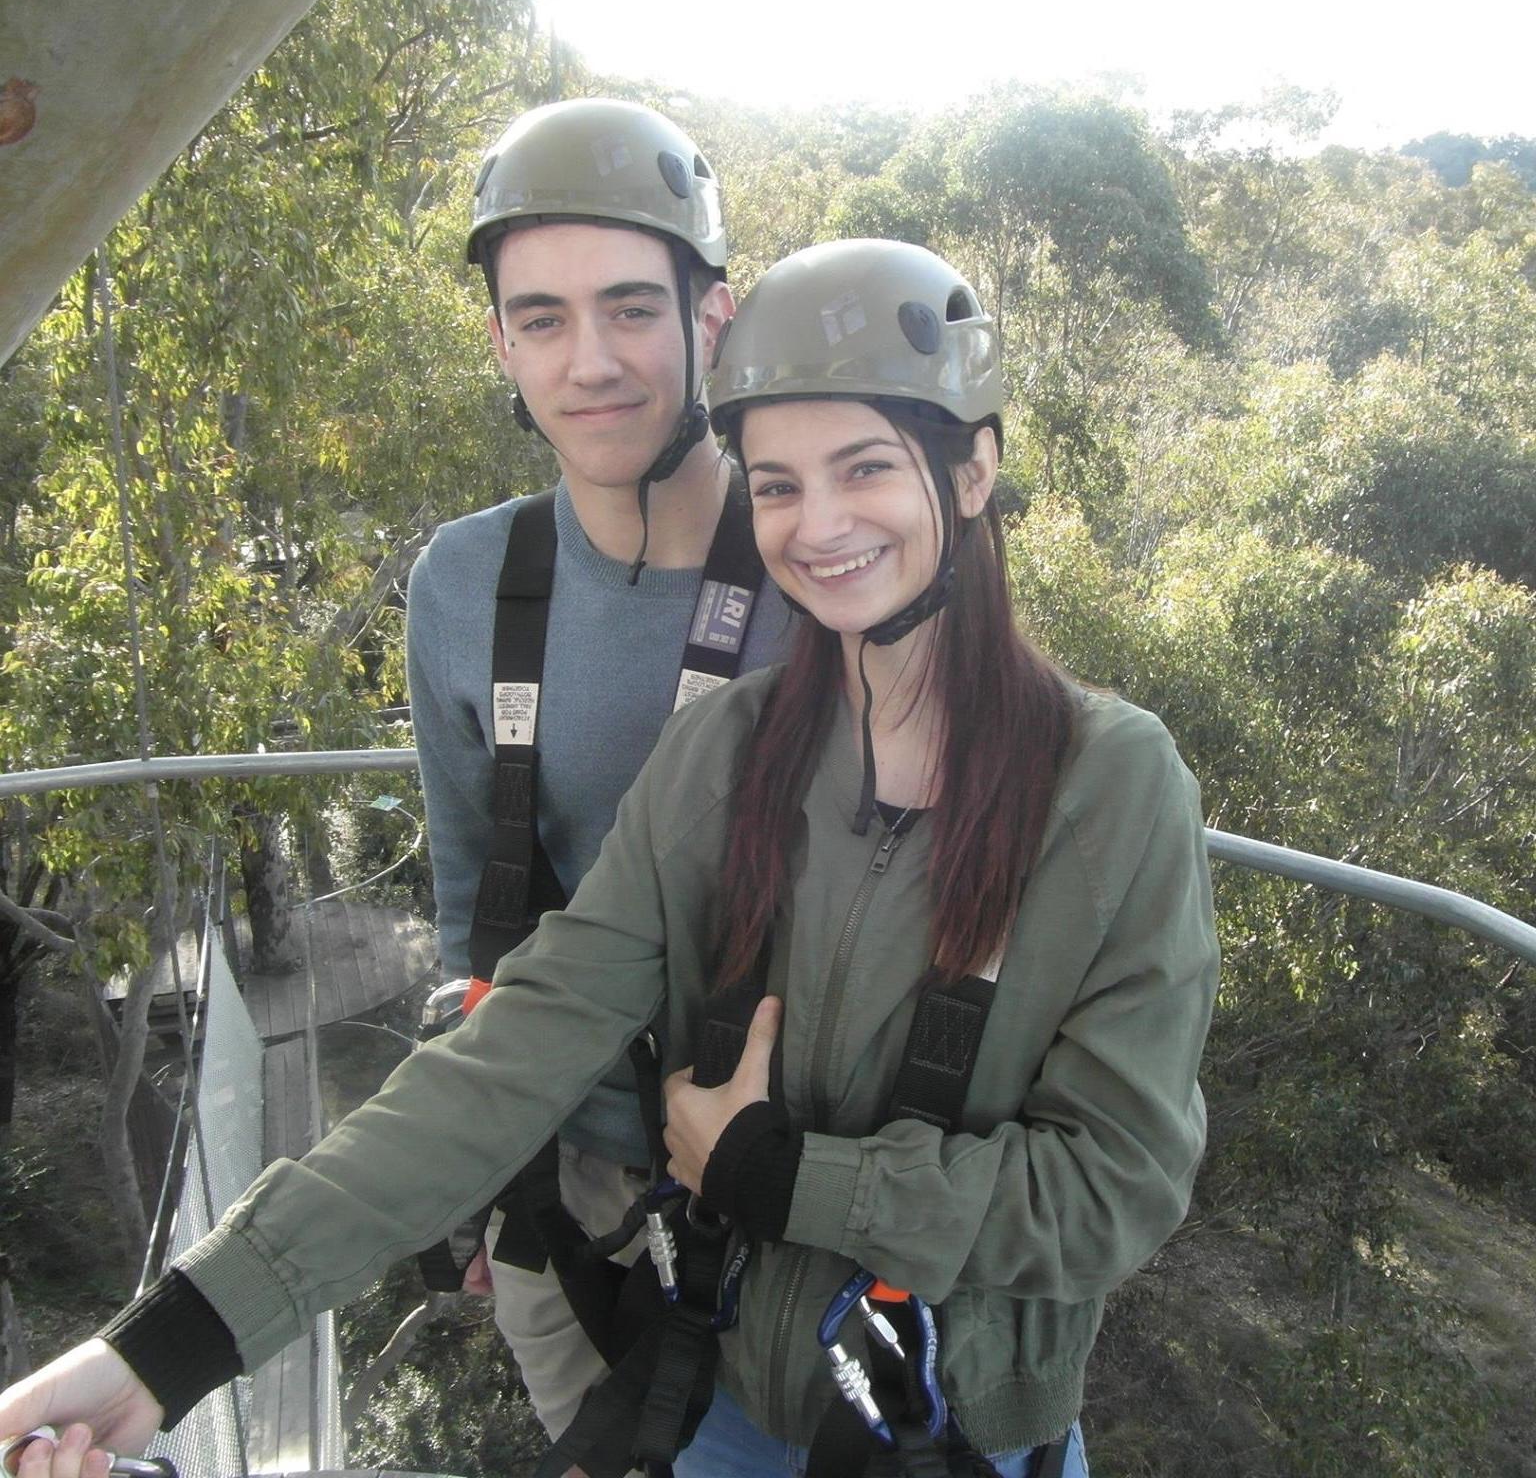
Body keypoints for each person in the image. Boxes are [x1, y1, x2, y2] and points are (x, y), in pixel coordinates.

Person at [0, 240, 1218, 1478]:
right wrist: (172, 1345)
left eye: (866, 469)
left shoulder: (1112, 791)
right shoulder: (725, 759)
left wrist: (796, 1179)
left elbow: (1118, 1187)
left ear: (972, 469)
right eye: (780, 484)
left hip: (958, 1429)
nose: (821, 525)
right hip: (725, 1403)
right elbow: (516, 1048)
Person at [404, 96, 787, 1446]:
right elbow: (473, 909)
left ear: (712, 318)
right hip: (552, 1179)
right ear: (502, 341)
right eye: (543, 319)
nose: (592, 363)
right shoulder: (467, 584)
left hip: (767, 1183)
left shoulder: (822, 563)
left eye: (632, 307)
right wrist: (474, 1164)